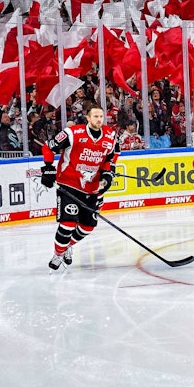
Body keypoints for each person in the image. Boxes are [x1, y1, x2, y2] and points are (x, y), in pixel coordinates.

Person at [40, 103, 120, 271]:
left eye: (101, 116)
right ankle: (58, 255)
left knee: (87, 227)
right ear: (88, 118)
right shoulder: (72, 133)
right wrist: (48, 168)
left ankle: (67, 246)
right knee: (68, 224)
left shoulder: (110, 136)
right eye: (95, 116)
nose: (99, 119)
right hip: (69, 184)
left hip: (92, 188)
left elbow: (109, 159)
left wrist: (107, 175)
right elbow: (48, 146)